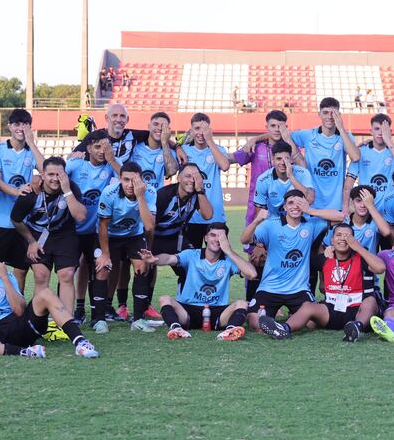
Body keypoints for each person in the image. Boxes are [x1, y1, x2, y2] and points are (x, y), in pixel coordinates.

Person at [0, 245, 99, 358]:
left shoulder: (7, 277)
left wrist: (4, 277)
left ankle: (80, 342)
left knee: (46, 293)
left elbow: (19, 311)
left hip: (18, 326)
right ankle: (25, 352)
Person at [258, 223, 386, 342]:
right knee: (308, 306)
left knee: (371, 301)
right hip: (332, 309)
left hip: (357, 310)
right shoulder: (325, 258)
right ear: (332, 240)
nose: (343, 238)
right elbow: (302, 257)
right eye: (338, 235)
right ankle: (284, 329)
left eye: (347, 236)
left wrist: (358, 247)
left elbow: (380, 268)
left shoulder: (361, 257)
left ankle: (356, 328)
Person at [241, 189, 342, 330]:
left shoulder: (311, 224)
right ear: (284, 207)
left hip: (298, 289)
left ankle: (286, 324)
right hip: (270, 287)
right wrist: (256, 221)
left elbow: (340, 216)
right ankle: (282, 324)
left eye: (299, 203)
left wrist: (310, 210)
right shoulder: (270, 225)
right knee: (254, 322)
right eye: (291, 203)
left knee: (312, 324)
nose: (295, 206)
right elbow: (244, 240)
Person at [139, 223, 257, 341]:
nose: (217, 239)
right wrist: (155, 259)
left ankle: (229, 331)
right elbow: (169, 258)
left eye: (221, 236)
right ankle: (176, 329)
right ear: (206, 238)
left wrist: (229, 251)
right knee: (165, 299)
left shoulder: (228, 260)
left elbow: (252, 274)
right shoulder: (191, 255)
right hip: (188, 310)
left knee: (242, 303)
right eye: (213, 235)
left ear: (226, 240)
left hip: (217, 310)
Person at [231, 110, 301, 303]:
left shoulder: (290, 149)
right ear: (266, 127)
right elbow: (231, 159)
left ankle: (275, 301)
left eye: (281, 126)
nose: (277, 129)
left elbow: (302, 165)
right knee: (255, 257)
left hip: (284, 214)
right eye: (273, 126)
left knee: (280, 257)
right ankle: (251, 301)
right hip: (256, 212)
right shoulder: (257, 147)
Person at [136, 163, 212, 331]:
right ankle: (141, 312)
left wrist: (200, 191)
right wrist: (149, 250)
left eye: (196, 176)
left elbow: (208, 215)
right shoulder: (164, 195)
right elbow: (149, 226)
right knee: (146, 267)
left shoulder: (197, 194)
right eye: (188, 176)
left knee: (191, 264)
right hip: (154, 236)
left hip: (176, 237)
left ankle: (186, 305)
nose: (191, 180)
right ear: (178, 178)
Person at [11, 157, 87, 315]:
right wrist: (31, 241)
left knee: (67, 275)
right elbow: (15, 219)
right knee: (41, 276)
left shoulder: (71, 187)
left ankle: (66, 321)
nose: (55, 179)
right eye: (50, 174)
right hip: (37, 234)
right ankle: (38, 321)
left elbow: (80, 216)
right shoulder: (31, 192)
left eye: (59, 174)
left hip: (64, 234)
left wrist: (67, 191)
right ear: (42, 175)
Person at [0, 108, 45, 290]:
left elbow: (46, 171)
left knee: (21, 269)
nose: (21, 128)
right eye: (17, 124)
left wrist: (32, 143)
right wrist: (17, 191)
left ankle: (17, 304)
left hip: (22, 223)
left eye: (26, 124)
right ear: (9, 126)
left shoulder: (31, 151)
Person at [90, 163, 157, 333]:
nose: (130, 184)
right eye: (126, 180)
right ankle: (99, 320)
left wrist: (140, 197)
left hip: (134, 235)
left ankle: (138, 319)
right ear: (120, 179)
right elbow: (103, 225)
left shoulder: (149, 192)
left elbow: (149, 226)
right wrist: (105, 254)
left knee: (142, 267)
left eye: (134, 180)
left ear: (141, 180)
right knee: (102, 268)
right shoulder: (109, 193)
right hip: (109, 236)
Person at [65, 129, 121, 323]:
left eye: (106, 147)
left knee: (98, 268)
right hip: (72, 230)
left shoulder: (111, 165)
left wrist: (112, 160)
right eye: (97, 147)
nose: (102, 151)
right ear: (88, 148)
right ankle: (77, 309)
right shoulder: (75, 164)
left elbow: (128, 178)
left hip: (96, 231)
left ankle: (98, 312)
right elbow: (54, 175)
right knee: (69, 270)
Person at [291, 97, 361, 212]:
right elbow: (282, 135)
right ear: (319, 114)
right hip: (312, 204)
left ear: (339, 115)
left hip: (336, 205)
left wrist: (341, 128)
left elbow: (356, 157)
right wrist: (298, 158)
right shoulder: (308, 135)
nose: (329, 116)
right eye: (325, 113)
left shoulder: (345, 136)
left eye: (333, 113)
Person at [71, 103, 186, 169]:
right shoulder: (95, 137)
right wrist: (75, 155)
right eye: (114, 115)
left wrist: (177, 147)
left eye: (122, 116)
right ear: (106, 118)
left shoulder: (133, 135)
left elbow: (158, 134)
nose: (118, 119)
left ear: (127, 119)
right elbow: (71, 157)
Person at [182, 113, 231, 249]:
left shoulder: (218, 150)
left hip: (215, 216)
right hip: (191, 217)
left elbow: (225, 166)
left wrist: (210, 141)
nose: (200, 133)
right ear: (191, 131)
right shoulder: (184, 150)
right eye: (197, 128)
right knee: (191, 258)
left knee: (220, 256)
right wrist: (178, 146)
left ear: (210, 130)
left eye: (204, 129)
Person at [344, 113, 394, 205]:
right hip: (367, 207)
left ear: (390, 132)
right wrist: (345, 207)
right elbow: (348, 184)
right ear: (371, 131)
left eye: (384, 130)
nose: (380, 133)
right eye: (377, 129)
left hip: (391, 207)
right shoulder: (361, 152)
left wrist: (388, 140)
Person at [325, 185, 392, 254]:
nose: (362, 205)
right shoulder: (342, 221)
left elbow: (387, 232)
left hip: (370, 260)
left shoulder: (376, 221)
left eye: (366, 201)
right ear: (352, 202)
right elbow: (327, 245)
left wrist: (370, 206)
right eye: (358, 201)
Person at [253, 141, 315, 216]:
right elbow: (259, 213)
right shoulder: (263, 180)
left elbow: (310, 199)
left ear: (291, 159)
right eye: (279, 159)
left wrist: (291, 177)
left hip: (300, 219)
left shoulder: (303, 173)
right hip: (275, 220)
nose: (283, 162)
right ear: (273, 160)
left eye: (286, 158)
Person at [129, 111, 180, 193]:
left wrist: (164, 142)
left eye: (163, 126)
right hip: (135, 197)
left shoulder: (169, 152)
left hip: (156, 199)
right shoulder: (135, 148)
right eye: (156, 124)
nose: (159, 128)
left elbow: (171, 171)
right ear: (149, 126)